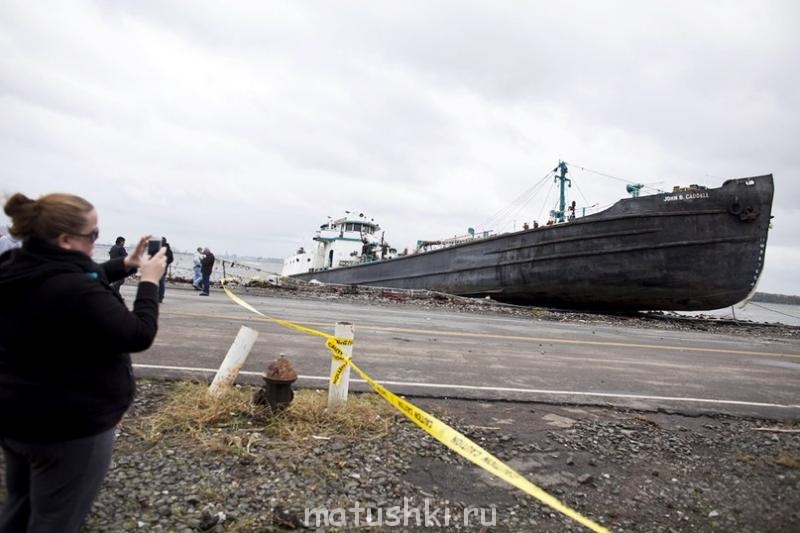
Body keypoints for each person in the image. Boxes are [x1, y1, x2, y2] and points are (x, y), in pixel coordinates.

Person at [0, 192, 167, 533]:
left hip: (15, 415)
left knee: (19, 505)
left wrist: (125, 264)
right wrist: (149, 282)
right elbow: (137, 335)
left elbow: (68, 273)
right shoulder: (74, 289)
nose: (95, 241)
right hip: (69, 425)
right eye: (92, 235)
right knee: (57, 518)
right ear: (65, 240)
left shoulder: (15, 267)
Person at [158, 237, 174, 303]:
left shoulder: (166, 249)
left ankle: (160, 297)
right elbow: (171, 259)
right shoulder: (166, 249)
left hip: (162, 268)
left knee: (160, 283)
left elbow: (170, 259)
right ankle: (159, 297)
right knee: (160, 283)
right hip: (159, 267)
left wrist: (164, 262)